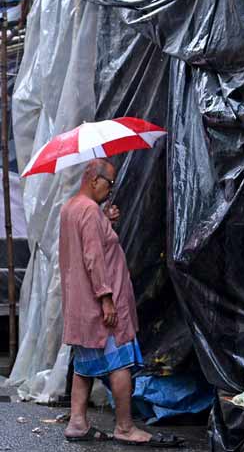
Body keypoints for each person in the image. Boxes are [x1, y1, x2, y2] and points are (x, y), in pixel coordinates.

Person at [60, 159, 181, 447]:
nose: (111, 189)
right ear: (93, 179)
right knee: (120, 363)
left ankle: (77, 422)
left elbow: (87, 244)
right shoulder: (89, 211)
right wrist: (106, 299)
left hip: (79, 306)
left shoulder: (71, 209)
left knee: (84, 364)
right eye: (109, 183)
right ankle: (125, 427)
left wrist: (105, 222)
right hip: (101, 306)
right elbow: (93, 258)